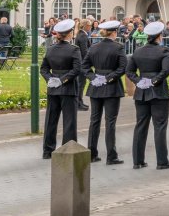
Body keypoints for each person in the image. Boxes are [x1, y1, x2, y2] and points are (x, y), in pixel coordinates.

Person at [127, 21, 169, 170]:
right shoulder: (163, 51)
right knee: (159, 126)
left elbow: (129, 71)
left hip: (141, 91)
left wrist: (140, 81)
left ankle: (137, 161)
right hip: (158, 91)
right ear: (159, 36)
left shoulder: (138, 51)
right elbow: (167, 70)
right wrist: (154, 81)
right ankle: (162, 161)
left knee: (140, 125)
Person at [82, 20, 127, 164]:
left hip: (96, 86)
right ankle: (111, 156)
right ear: (114, 32)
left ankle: (91, 153)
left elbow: (84, 67)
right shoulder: (118, 48)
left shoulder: (94, 47)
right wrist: (108, 78)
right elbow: (122, 68)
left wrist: (94, 77)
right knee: (110, 122)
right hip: (111, 87)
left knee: (94, 121)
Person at [39, 19, 83, 159]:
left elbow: (44, 68)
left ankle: (47, 150)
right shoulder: (74, 49)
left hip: (53, 88)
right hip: (68, 88)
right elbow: (77, 69)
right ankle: (68, 150)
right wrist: (62, 80)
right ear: (69, 34)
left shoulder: (50, 49)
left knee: (51, 120)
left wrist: (51, 79)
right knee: (69, 121)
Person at [74, 20, 91, 111]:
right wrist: (88, 62)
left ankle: (79, 102)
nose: (90, 27)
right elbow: (85, 51)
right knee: (81, 83)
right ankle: (78, 103)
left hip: (80, 62)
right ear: (85, 26)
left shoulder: (80, 34)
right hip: (82, 63)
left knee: (81, 83)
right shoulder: (83, 35)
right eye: (89, 25)